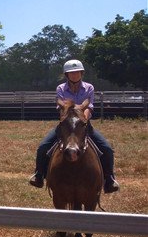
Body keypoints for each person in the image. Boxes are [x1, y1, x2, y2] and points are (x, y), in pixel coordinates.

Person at [28, 59, 120, 193]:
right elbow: (62, 107)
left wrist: (83, 119)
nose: (75, 75)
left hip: (83, 124)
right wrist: (69, 117)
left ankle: (109, 179)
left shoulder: (89, 88)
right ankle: (39, 175)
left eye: (77, 72)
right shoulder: (60, 89)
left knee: (107, 149)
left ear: (82, 73)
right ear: (67, 75)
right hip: (66, 124)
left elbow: (89, 106)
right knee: (43, 147)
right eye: (72, 73)